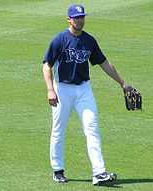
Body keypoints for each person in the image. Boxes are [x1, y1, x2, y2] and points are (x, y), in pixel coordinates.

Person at [42, 4, 130, 186]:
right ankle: (57, 170)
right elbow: (46, 65)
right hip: (62, 89)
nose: (80, 20)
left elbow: (104, 63)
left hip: (83, 89)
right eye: (76, 17)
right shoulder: (60, 40)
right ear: (69, 19)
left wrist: (123, 83)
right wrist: (50, 89)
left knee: (92, 128)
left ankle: (99, 173)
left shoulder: (89, 40)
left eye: (82, 16)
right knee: (58, 130)